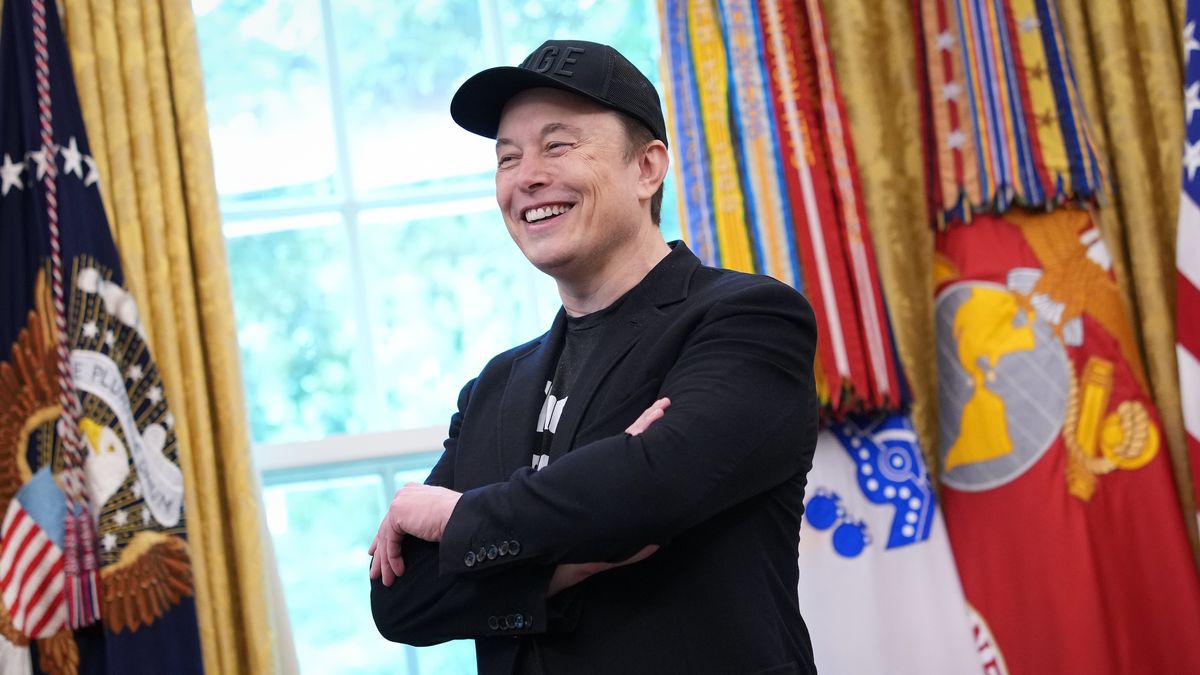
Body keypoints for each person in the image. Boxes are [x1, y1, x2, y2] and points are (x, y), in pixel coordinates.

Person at [369, 39, 819, 675]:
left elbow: (654, 487)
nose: (526, 176)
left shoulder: (747, 318)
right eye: (507, 158)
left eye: (557, 145)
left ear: (647, 168)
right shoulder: (495, 387)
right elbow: (402, 600)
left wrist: (463, 518)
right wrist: (581, 552)